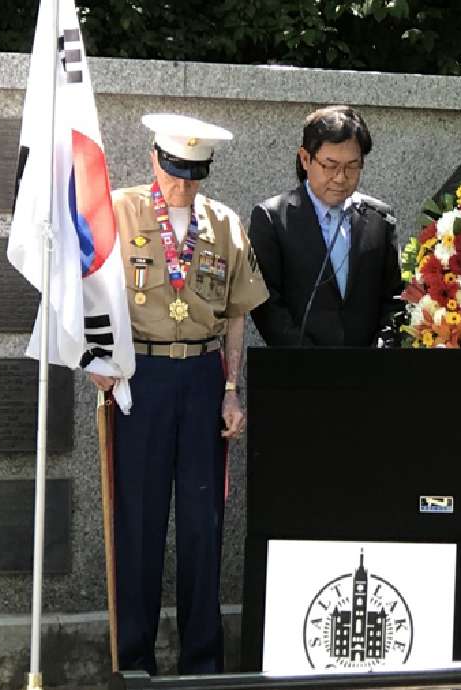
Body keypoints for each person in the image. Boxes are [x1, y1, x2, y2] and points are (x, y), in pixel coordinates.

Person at [89, 112, 268, 675]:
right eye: (172, 170)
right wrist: (96, 356)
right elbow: (90, 284)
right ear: (153, 161)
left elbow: (237, 315)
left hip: (202, 376)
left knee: (202, 524)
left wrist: (232, 391)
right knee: (137, 522)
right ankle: (135, 661)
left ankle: (201, 665)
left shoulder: (225, 224)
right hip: (139, 375)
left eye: (193, 173)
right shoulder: (119, 210)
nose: (181, 184)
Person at [248, 105, 402, 347]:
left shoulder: (379, 219)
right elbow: (266, 304)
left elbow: (394, 298)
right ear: (305, 159)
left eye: (352, 166)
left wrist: (382, 346)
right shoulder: (273, 218)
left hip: (370, 372)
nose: (341, 178)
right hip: (299, 371)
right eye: (330, 166)